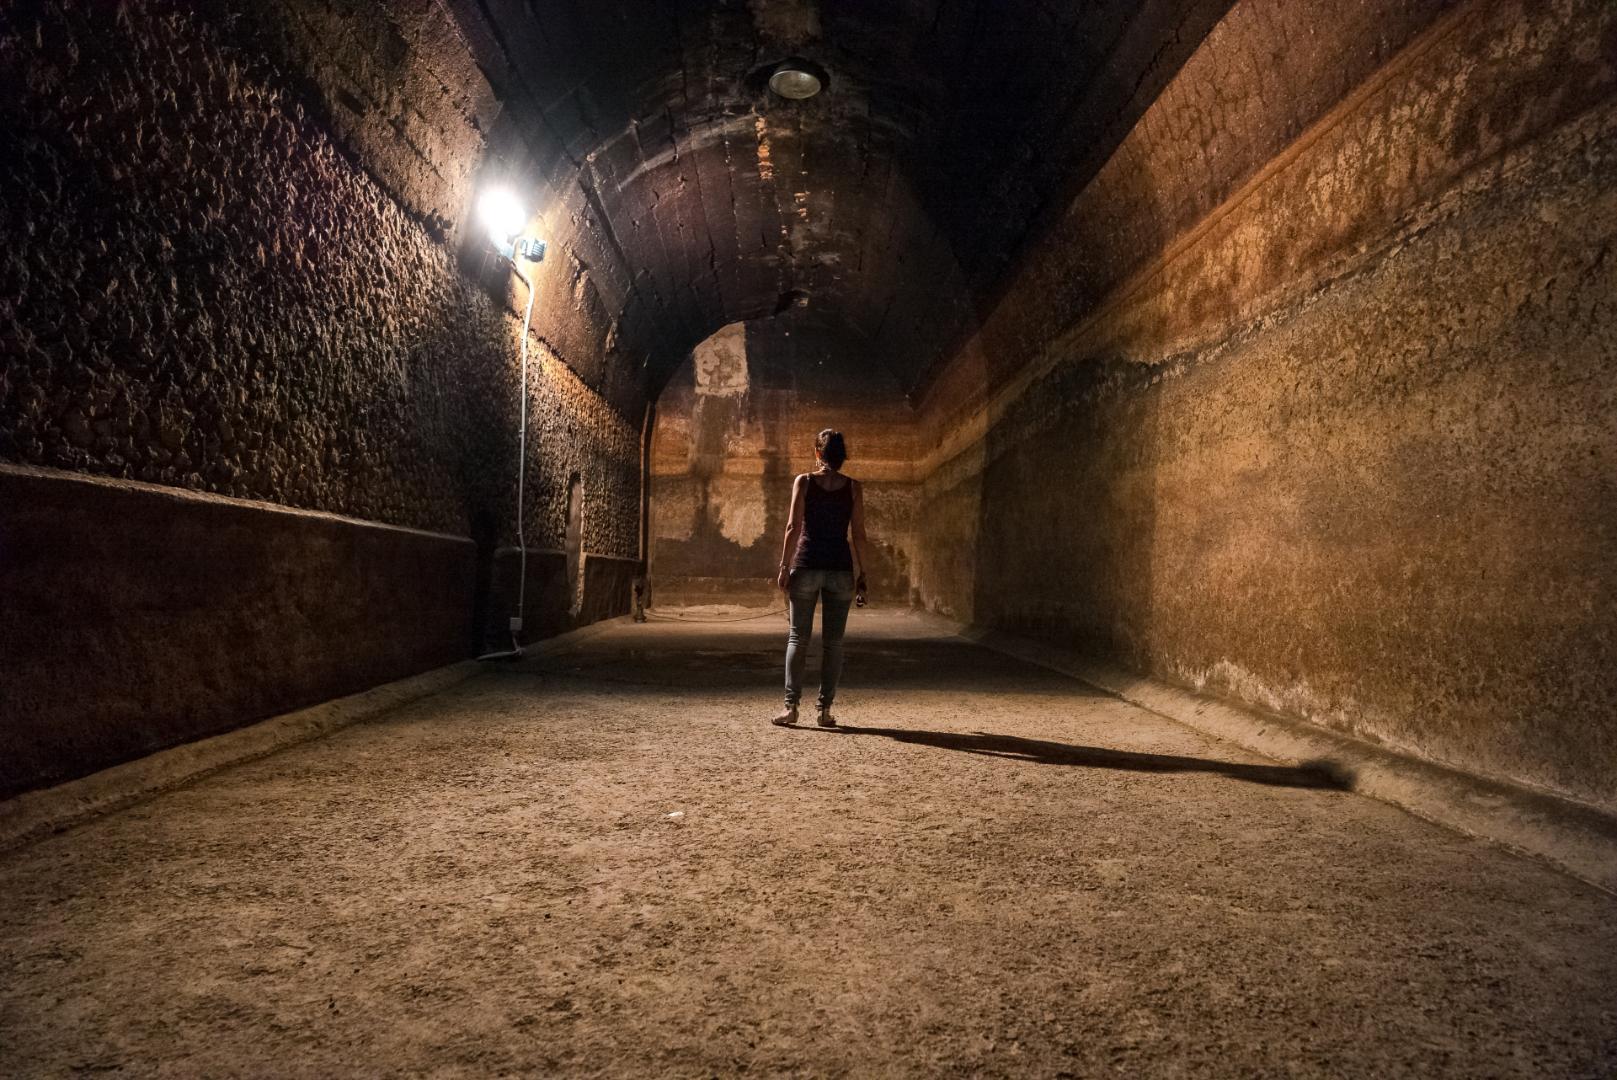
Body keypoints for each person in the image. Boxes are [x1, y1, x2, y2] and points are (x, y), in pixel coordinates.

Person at [772, 429, 868, 727]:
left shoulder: (804, 482)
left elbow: (793, 527)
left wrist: (784, 566)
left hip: (807, 565)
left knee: (798, 637)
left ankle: (791, 708)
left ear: (817, 454)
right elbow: (859, 535)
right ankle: (825, 711)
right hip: (840, 569)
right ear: (842, 457)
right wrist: (863, 573)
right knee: (834, 643)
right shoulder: (853, 487)